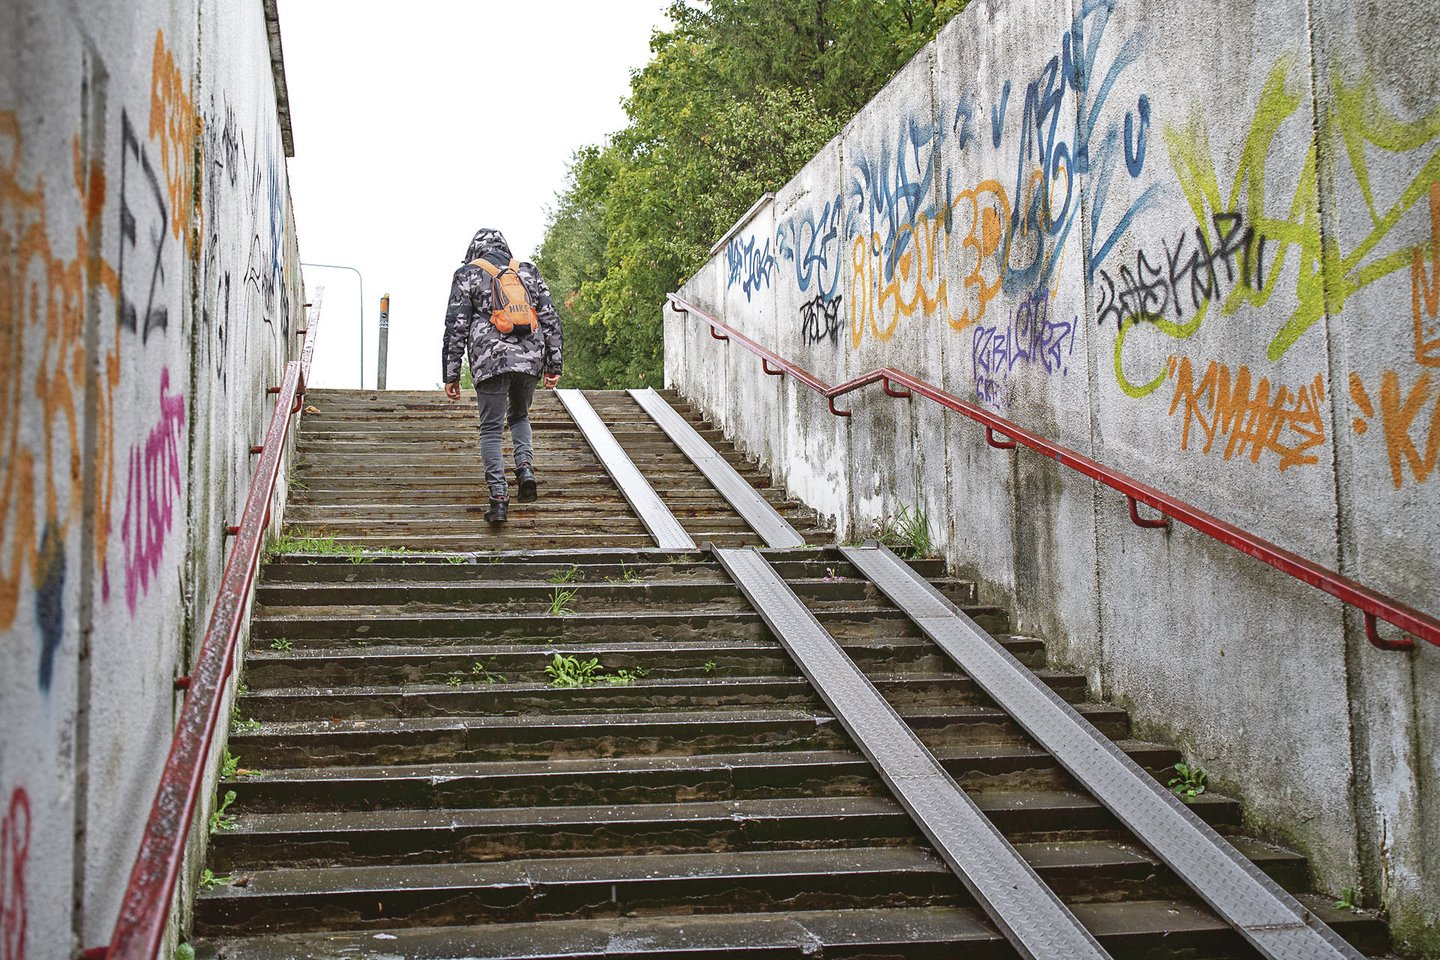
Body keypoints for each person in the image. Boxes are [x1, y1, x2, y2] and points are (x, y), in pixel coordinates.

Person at [442, 228, 563, 524]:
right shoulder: (527, 271)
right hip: (530, 356)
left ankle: (498, 498)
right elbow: (549, 317)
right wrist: (554, 365)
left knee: (491, 429)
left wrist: (451, 373)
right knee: (520, 416)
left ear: (474, 250)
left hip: (490, 358)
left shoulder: (467, 273)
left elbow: (456, 325)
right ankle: (525, 469)